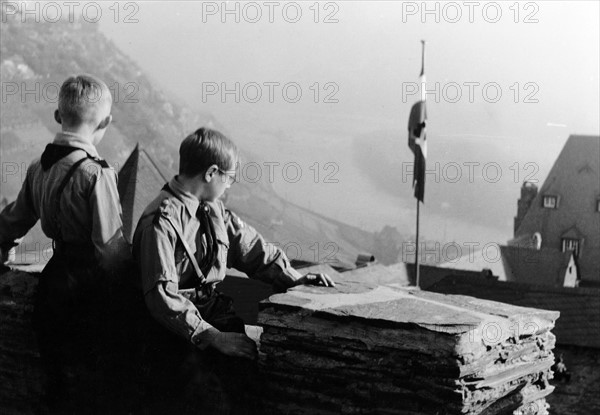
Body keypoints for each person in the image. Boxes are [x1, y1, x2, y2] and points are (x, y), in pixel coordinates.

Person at [133, 127, 335, 414]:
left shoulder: (213, 210)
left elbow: (252, 249)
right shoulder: (162, 221)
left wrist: (294, 278)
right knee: (201, 398)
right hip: (173, 331)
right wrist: (213, 337)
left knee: (246, 379)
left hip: (212, 313)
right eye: (229, 177)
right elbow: (161, 297)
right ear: (211, 173)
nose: (230, 185)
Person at [0, 74, 131, 413]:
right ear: (106, 122)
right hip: (88, 287)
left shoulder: (37, 167)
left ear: (58, 117)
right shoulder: (97, 173)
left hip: (53, 283)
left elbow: (13, 221)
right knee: (93, 380)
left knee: (57, 379)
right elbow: (109, 246)